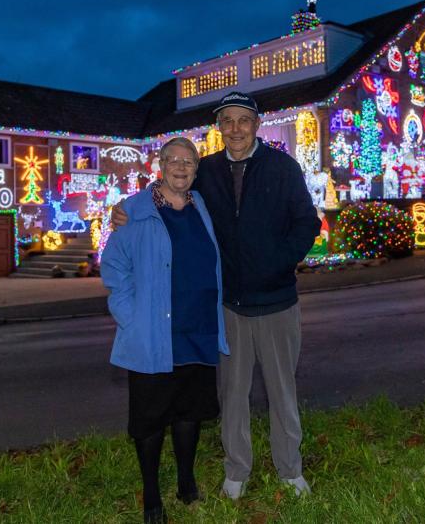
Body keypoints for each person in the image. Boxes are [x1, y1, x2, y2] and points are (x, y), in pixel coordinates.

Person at [112, 92, 320, 499]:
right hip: (228, 309)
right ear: (219, 127)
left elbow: (306, 223)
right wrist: (126, 208)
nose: (236, 129)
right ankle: (237, 470)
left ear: (257, 124)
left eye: (244, 120)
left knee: (282, 391)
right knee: (232, 394)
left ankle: (290, 470)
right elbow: (167, 187)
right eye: (228, 121)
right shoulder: (205, 170)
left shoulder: (282, 167)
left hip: (278, 302)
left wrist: (278, 263)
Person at [101, 137, 230, 524]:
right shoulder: (134, 211)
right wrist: (130, 315)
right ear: (160, 164)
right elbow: (113, 268)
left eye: (188, 161)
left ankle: (187, 484)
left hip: (199, 329)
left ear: (195, 169)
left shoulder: (201, 207)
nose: (181, 166)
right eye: (173, 159)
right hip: (154, 334)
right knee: (151, 418)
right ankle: (152, 496)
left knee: (189, 413)